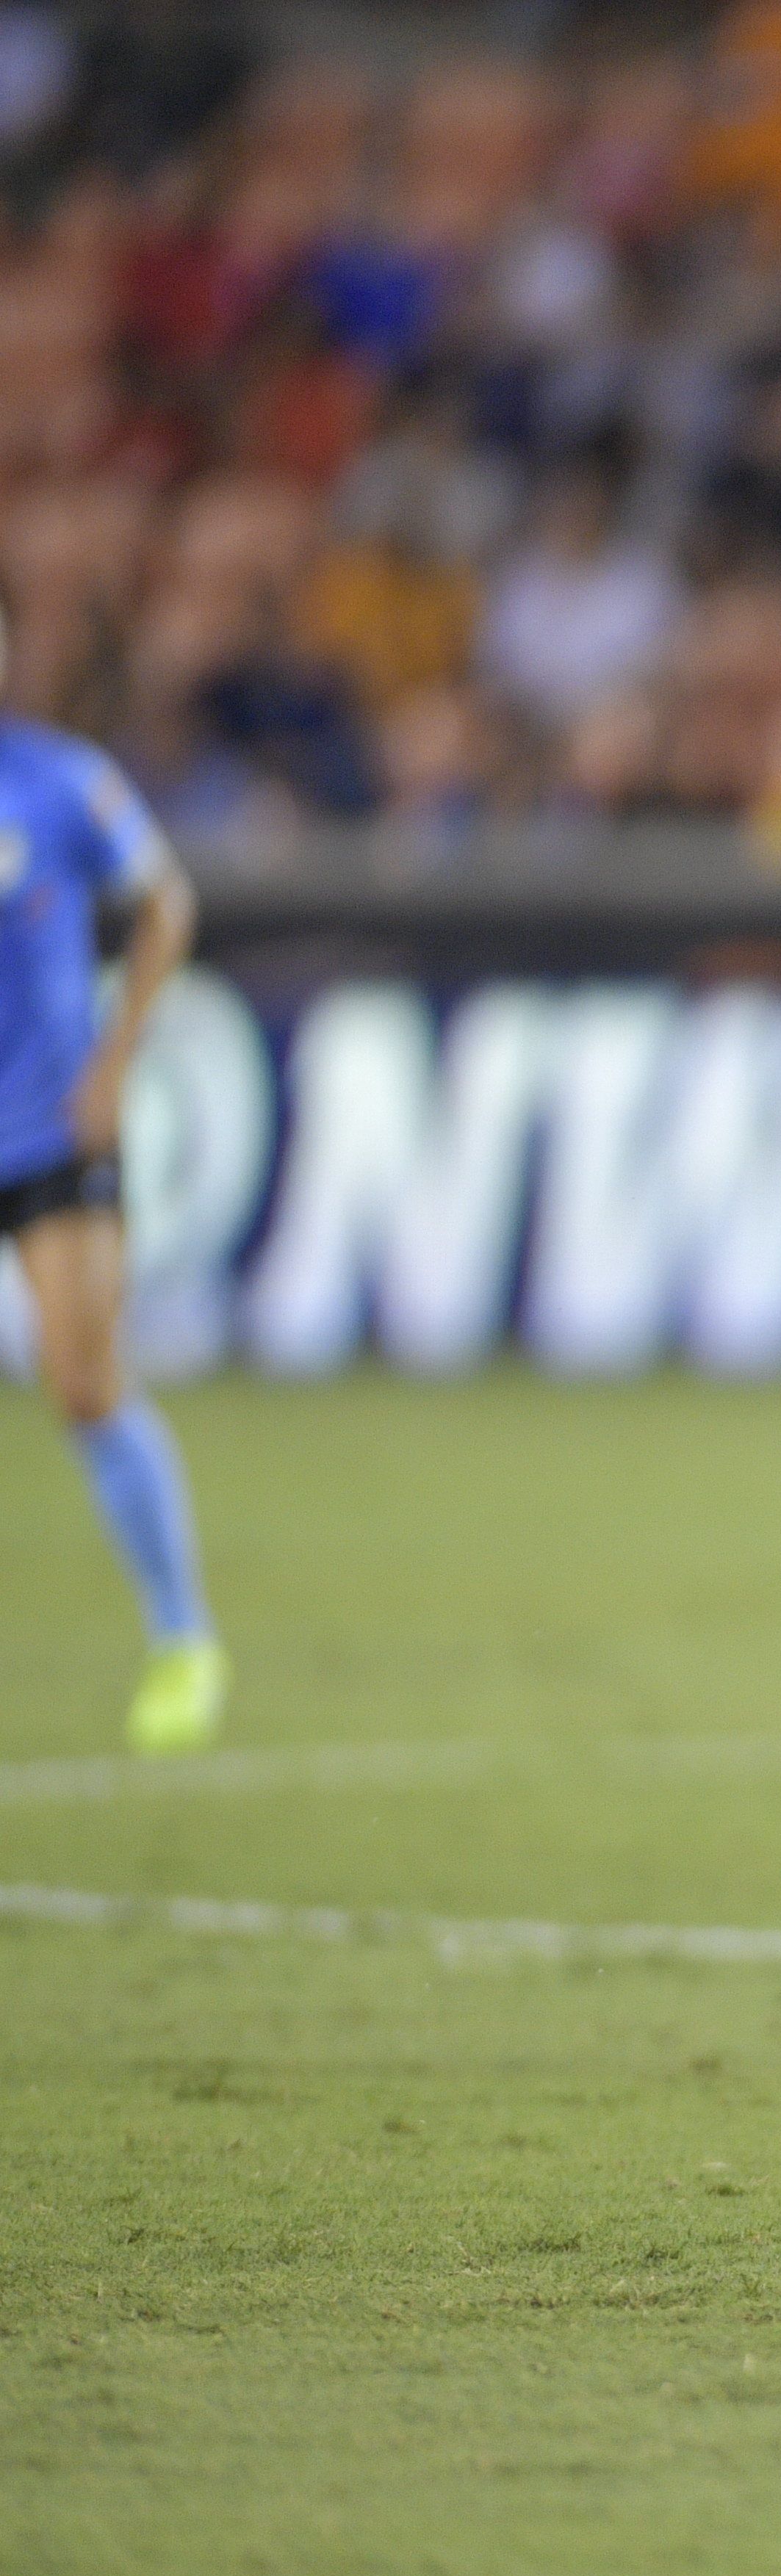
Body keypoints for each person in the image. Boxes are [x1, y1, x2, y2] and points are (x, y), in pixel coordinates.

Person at [0, 607, 228, 1754]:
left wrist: (115, 1059)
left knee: (84, 1384)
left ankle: (183, 1637)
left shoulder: (58, 782)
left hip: (47, 1132)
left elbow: (165, 905)